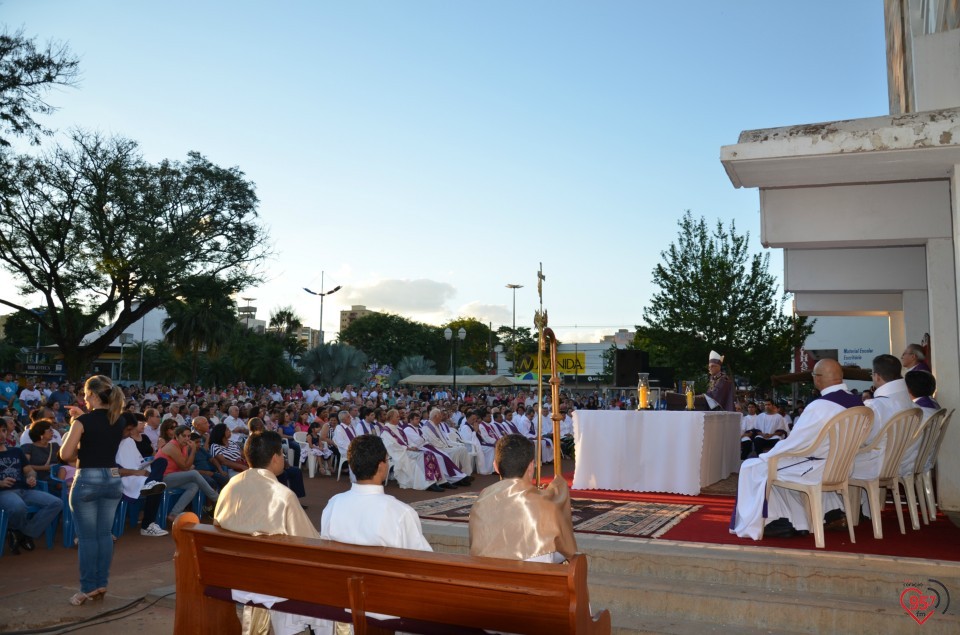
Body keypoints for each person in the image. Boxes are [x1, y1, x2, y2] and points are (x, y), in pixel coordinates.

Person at [731, 359, 863, 539]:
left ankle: (775, 521)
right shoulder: (859, 404)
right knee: (784, 465)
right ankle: (827, 513)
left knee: (753, 467)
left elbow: (795, 442)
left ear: (817, 379)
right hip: (844, 467)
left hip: (818, 469)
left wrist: (769, 455)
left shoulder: (820, 406)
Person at [214, 430, 324, 635]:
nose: (283, 458)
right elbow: (309, 541)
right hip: (272, 578)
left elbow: (218, 523)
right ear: (275, 458)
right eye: (282, 455)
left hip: (232, 573)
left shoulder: (231, 486)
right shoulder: (282, 495)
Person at [823, 354, 915, 526]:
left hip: (876, 464)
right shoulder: (910, 403)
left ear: (877, 376)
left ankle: (835, 513)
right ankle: (853, 510)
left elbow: (858, 440)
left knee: (829, 460)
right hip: (897, 461)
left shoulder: (876, 406)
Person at [60, 375, 127, 605]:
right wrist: (81, 421)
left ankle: (89, 587)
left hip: (88, 478)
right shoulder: (118, 420)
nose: (83, 399)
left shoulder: (83, 422)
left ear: (93, 395)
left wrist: (74, 425)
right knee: (104, 535)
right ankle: (101, 584)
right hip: (112, 478)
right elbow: (98, 441)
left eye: (85, 394)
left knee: (88, 539)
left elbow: (65, 455)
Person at [469, 434, 576, 563]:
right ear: (531, 467)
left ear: (496, 466)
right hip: (534, 579)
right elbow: (567, 549)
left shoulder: (480, 501)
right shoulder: (545, 505)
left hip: (486, 576)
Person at [321, 434, 431, 550]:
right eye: (387, 459)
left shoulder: (334, 504)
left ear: (352, 466)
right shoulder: (401, 513)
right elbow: (422, 557)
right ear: (381, 466)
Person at [0, 425, 63, 555]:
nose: (2, 434)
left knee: (56, 503)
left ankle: (22, 532)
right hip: (4, 492)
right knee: (19, 507)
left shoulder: (16, 451)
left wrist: (31, 478)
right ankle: (19, 531)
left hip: (24, 490)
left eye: (3, 430)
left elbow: (29, 470)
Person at [114, 413, 168, 537]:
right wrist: (135, 472)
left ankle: (151, 482)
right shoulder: (112, 442)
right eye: (128, 429)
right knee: (156, 486)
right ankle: (147, 525)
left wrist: (145, 466)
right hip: (125, 477)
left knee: (161, 462)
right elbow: (113, 470)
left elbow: (137, 461)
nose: (129, 433)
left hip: (140, 472)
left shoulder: (129, 440)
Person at [20, 419, 61, 487]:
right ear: (40, 433)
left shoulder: (55, 446)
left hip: (56, 475)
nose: (52, 432)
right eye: (50, 430)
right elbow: (25, 466)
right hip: (38, 479)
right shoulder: (28, 447)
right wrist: (45, 468)